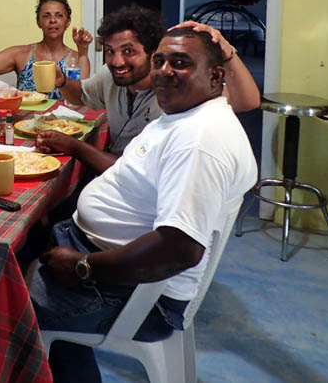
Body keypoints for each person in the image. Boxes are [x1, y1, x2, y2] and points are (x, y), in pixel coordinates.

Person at [29, 26, 258, 382]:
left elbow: (179, 248)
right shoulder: (185, 116)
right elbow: (129, 170)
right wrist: (73, 147)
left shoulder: (198, 142)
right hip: (108, 260)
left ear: (216, 76)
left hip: (135, 296)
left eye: (180, 63)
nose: (164, 71)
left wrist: (84, 267)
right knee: (24, 239)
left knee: (1, 297)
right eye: (160, 61)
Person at [54, 4, 261, 155]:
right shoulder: (109, 76)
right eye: (110, 52)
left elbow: (248, 101)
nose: (117, 62)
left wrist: (225, 49)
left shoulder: (174, 87)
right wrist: (62, 80)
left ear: (153, 52)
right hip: (114, 172)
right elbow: (81, 95)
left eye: (128, 51)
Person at [0, 0, 93, 99]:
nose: (52, 20)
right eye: (46, 16)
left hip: (64, 125)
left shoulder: (76, 58)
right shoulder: (21, 54)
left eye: (59, 16)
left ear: (67, 22)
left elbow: (83, 95)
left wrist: (83, 51)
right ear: (38, 22)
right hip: (25, 123)